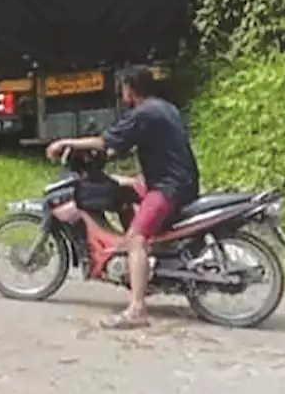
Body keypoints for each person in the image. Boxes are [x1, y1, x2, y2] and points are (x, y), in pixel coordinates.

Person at [46, 65, 200, 330]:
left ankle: (137, 309)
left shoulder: (143, 113)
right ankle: (144, 265)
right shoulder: (163, 108)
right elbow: (121, 145)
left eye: (123, 88)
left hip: (168, 187)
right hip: (178, 181)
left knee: (137, 240)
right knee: (124, 190)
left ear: (129, 89)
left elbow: (105, 142)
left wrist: (65, 143)